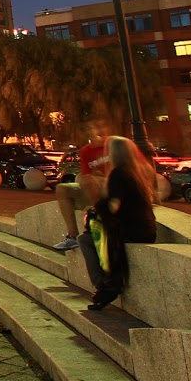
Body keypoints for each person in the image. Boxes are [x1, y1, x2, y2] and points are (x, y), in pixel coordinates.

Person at [81, 135, 157, 311]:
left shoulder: (118, 174)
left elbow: (113, 206)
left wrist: (95, 209)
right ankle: (107, 284)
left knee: (85, 239)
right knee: (95, 234)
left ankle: (106, 285)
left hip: (131, 231)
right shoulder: (135, 172)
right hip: (145, 229)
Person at [52, 122, 110, 251]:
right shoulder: (86, 151)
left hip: (113, 182)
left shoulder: (112, 144)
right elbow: (86, 175)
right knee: (63, 188)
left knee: (87, 180)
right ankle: (73, 236)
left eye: (90, 128)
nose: (88, 132)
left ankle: (98, 222)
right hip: (95, 185)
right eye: (84, 129)